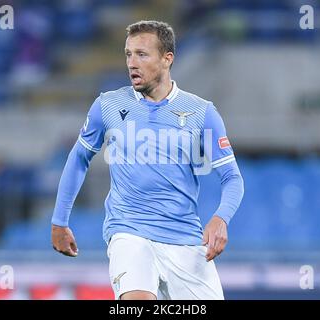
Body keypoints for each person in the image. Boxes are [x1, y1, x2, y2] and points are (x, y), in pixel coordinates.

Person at [51, 20, 244, 300]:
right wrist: (60, 220)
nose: (132, 63)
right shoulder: (108, 105)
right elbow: (79, 158)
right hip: (129, 232)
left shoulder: (202, 113)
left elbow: (232, 178)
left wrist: (220, 218)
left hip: (185, 240)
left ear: (167, 59)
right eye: (128, 54)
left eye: (142, 54)